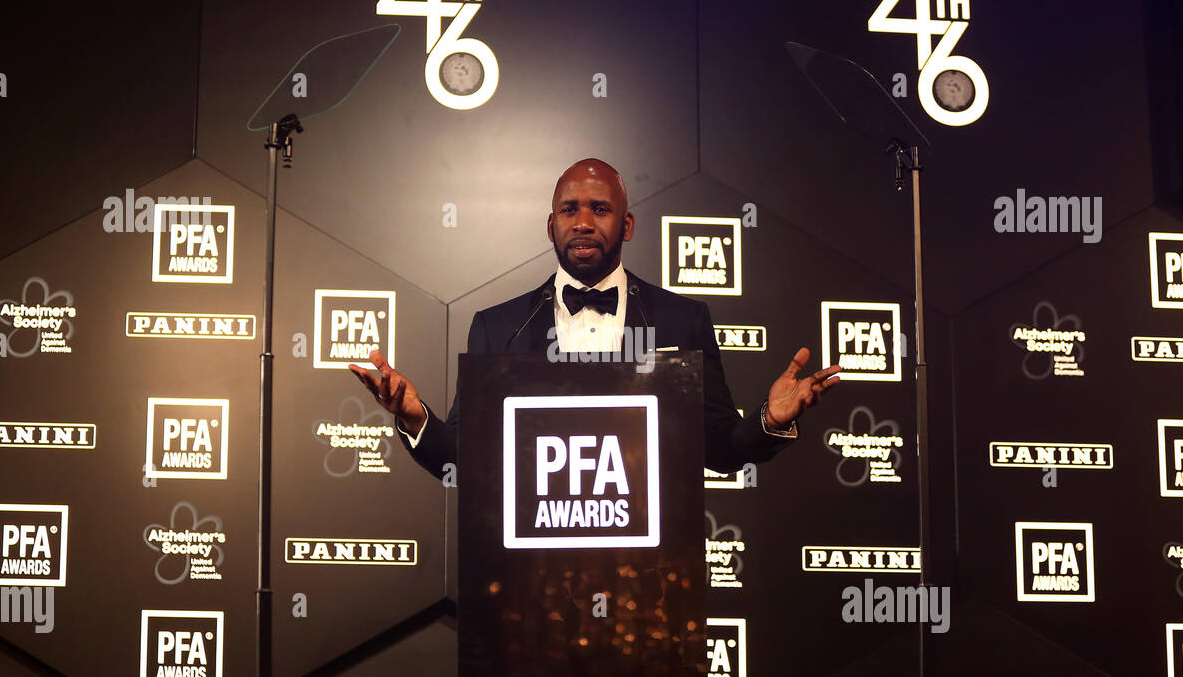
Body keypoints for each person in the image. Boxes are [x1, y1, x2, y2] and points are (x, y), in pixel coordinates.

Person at [349, 158, 841, 479]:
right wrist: (415, 417)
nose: (583, 222)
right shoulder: (497, 327)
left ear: (626, 224)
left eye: (600, 208)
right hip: (529, 576)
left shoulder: (683, 319)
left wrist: (768, 421)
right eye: (569, 210)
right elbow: (464, 457)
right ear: (551, 226)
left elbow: (720, 450)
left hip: (650, 573)